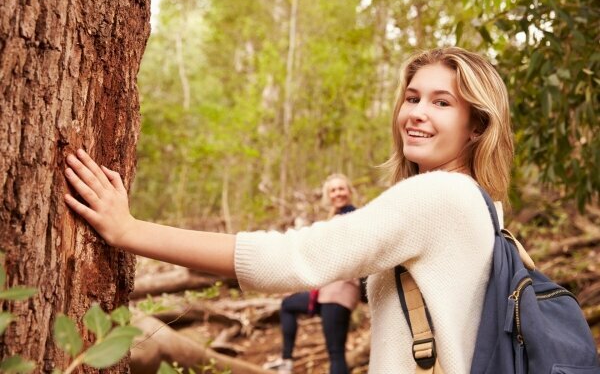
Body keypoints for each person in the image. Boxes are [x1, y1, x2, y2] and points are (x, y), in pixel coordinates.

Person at [64, 47, 513, 373]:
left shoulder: (437, 197)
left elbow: (290, 259)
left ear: (475, 126)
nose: (416, 113)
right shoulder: (482, 205)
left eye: (441, 102)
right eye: (412, 98)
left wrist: (129, 230)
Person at [263, 174, 360, 374]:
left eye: (341, 188)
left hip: (340, 292)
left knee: (335, 353)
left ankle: (287, 361)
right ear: (327, 196)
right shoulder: (335, 218)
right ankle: (286, 361)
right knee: (288, 305)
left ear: (350, 192)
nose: (338, 193)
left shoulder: (352, 217)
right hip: (326, 292)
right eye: (333, 190)